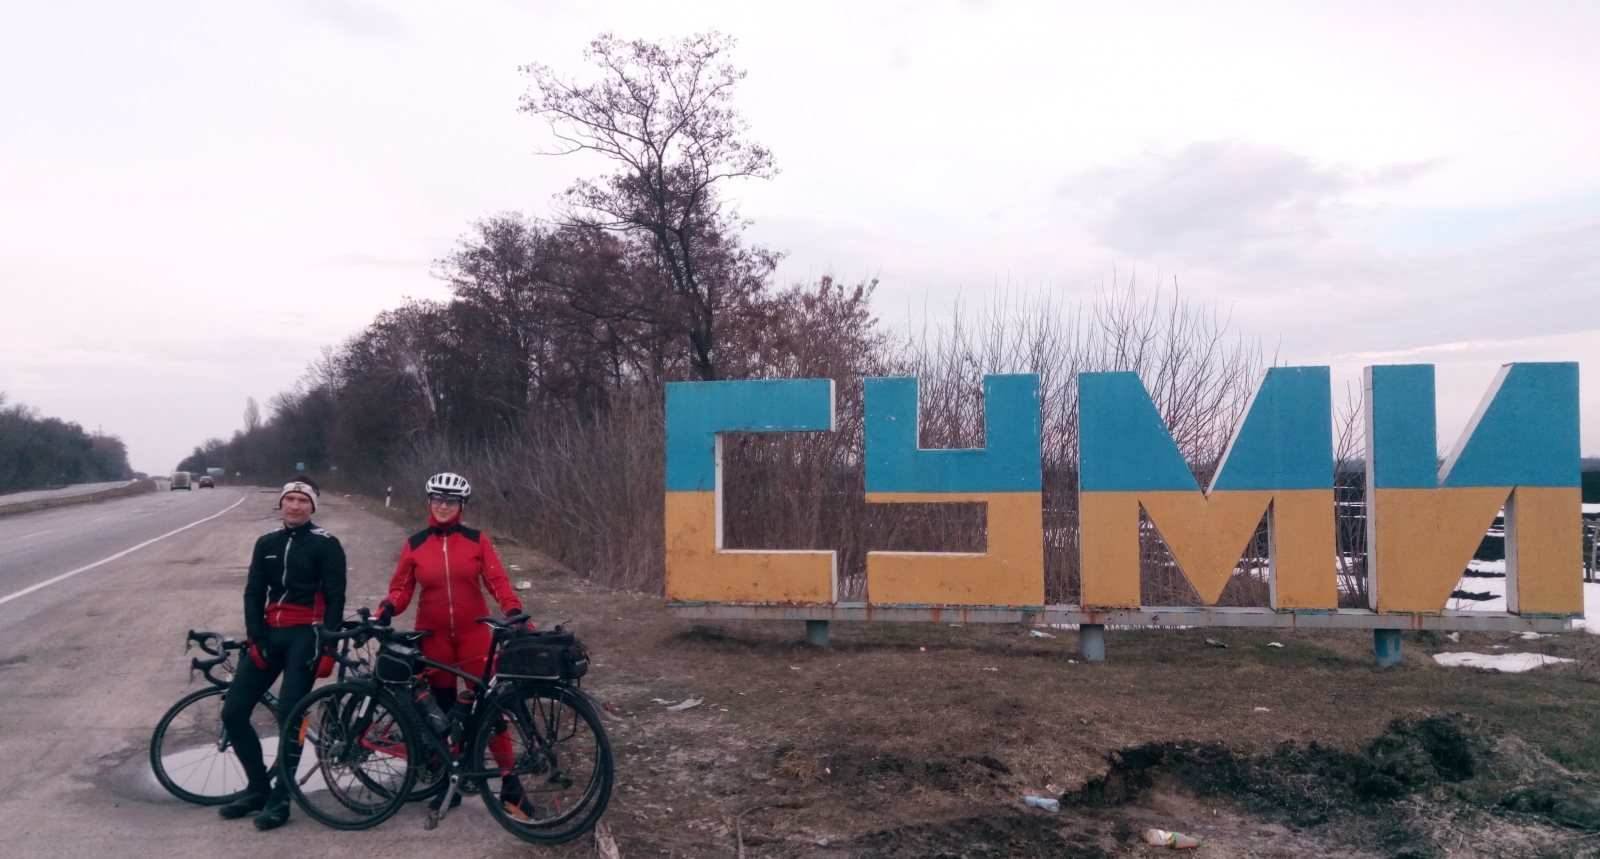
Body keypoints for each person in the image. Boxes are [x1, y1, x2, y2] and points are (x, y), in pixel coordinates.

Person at [376, 472, 530, 813]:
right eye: (438, 499)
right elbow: (401, 590)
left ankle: (510, 783)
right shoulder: (415, 544)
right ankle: (450, 780)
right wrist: (385, 610)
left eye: (451, 501)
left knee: (489, 708)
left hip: (474, 635)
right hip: (434, 638)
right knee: (443, 712)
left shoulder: (476, 540)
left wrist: (513, 610)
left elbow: (497, 581)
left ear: (461, 505)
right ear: (429, 502)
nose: (443, 506)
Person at [217, 478, 346, 830]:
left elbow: (336, 597)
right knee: (233, 711)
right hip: (271, 634)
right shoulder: (266, 543)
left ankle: (282, 798)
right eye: (289, 499)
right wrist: (255, 638)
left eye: (302, 500)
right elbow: (253, 592)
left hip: (307, 634)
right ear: (282, 503)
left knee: (291, 713)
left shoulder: (326, 544)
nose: (294, 506)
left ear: (312, 506)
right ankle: (259, 787)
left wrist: (328, 645)